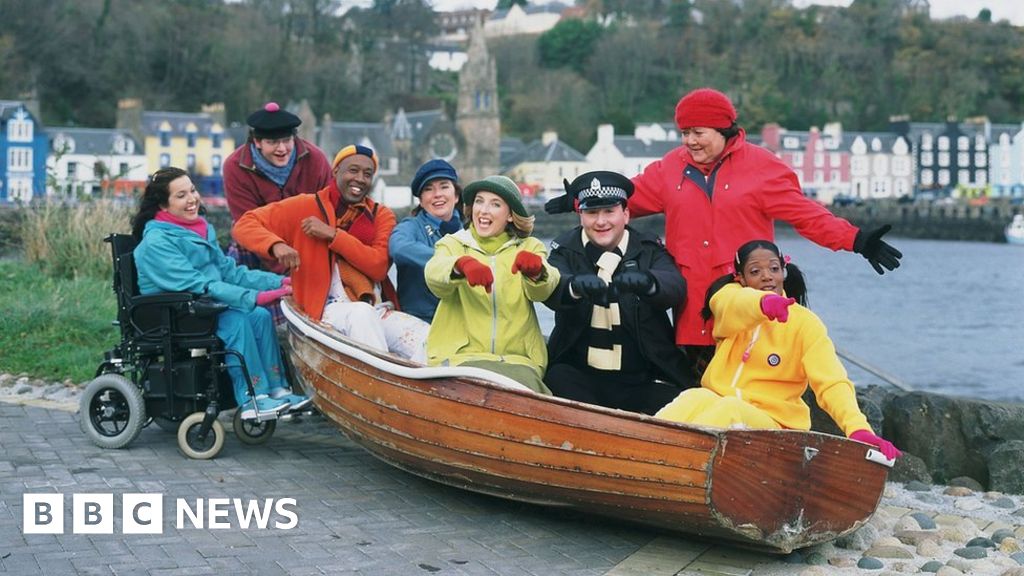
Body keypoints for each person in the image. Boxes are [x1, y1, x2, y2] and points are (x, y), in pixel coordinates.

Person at [546, 88, 903, 376]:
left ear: (722, 129)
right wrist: (581, 200)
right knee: (699, 396)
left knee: (751, 387)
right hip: (692, 309)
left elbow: (806, 215)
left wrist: (856, 240)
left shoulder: (763, 168)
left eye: (697, 132)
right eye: (684, 132)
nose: (689, 141)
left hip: (748, 302)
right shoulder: (670, 167)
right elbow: (625, 201)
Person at [654, 239, 902, 460]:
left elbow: (832, 382)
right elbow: (733, 303)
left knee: (729, 409)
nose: (767, 276)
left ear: (784, 271)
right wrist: (764, 304)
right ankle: (646, 444)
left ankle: (673, 459)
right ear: (739, 278)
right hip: (724, 407)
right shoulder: (729, 301)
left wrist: (858, 428)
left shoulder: (805, 323)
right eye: (755, 271)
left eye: (774, 269)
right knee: (694, 397)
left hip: (778, 426)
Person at [132, 167, 311, 419]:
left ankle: (278, 390)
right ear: (163, 205)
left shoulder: (200, 227)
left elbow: (229, 272)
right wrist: (253, 297)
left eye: (192, 190)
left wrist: (279, 281)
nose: (192, 199)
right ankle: (253, 398)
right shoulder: (156, 242)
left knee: (259, 317)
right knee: (238, 319)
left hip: (207, 305)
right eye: (181, 195)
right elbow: (199, 284)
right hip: (175, 312)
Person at [232, 144, 428, 361]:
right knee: (360, 314)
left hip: (377, 308)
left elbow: (379, 267)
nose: (360, 179)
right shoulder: (304, 206)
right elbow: (245, 224)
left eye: (367, 174)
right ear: (335, 172)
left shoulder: (381, 215)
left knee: (426, 337)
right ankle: (383, 387)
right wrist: (275, 245)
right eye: (353, 170)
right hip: (324, 311)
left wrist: (333, 236)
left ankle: (423, 393)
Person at [543, 171, 696, 415]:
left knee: (685, 403)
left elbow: (675, 286)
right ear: (580, 215)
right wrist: (573, 287)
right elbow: (550, 284)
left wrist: (649, 283)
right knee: (557, 378)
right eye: (592, 213)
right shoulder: (564, 250)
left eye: (609, 211)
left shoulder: (648, 250)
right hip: (580, 375)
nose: (601, 221)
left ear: (625, 214)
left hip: (641, 379)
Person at [424, 175, 560, 394]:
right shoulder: (453, 243)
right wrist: (460, 266)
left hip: (518, 360)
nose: (483, 210)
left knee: (532, 395)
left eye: (495, 204)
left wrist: (537, 272)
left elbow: (544, 290)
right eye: (479, 201)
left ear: (510, 215)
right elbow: (434, 276)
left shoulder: (530, 246)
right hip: (461, 356)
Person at [224, 101, 332, 274]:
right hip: (260, 246)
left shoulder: (316, 159)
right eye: (273, 142)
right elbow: (246, 223)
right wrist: (288, 271)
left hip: (310, 243)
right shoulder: (234, 166)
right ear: (257, 142)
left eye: (287, 140)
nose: (282, 149)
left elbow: (330, 212)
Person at [389, 159, 463, 322]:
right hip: (421, 322)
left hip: (463, 323)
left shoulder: (470, 231)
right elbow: (398, 248)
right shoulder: (411, 226)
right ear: (421, 201)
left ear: (456, 195)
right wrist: (453, 263)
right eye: (429, 189)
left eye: (444, 186)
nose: (437, 194)